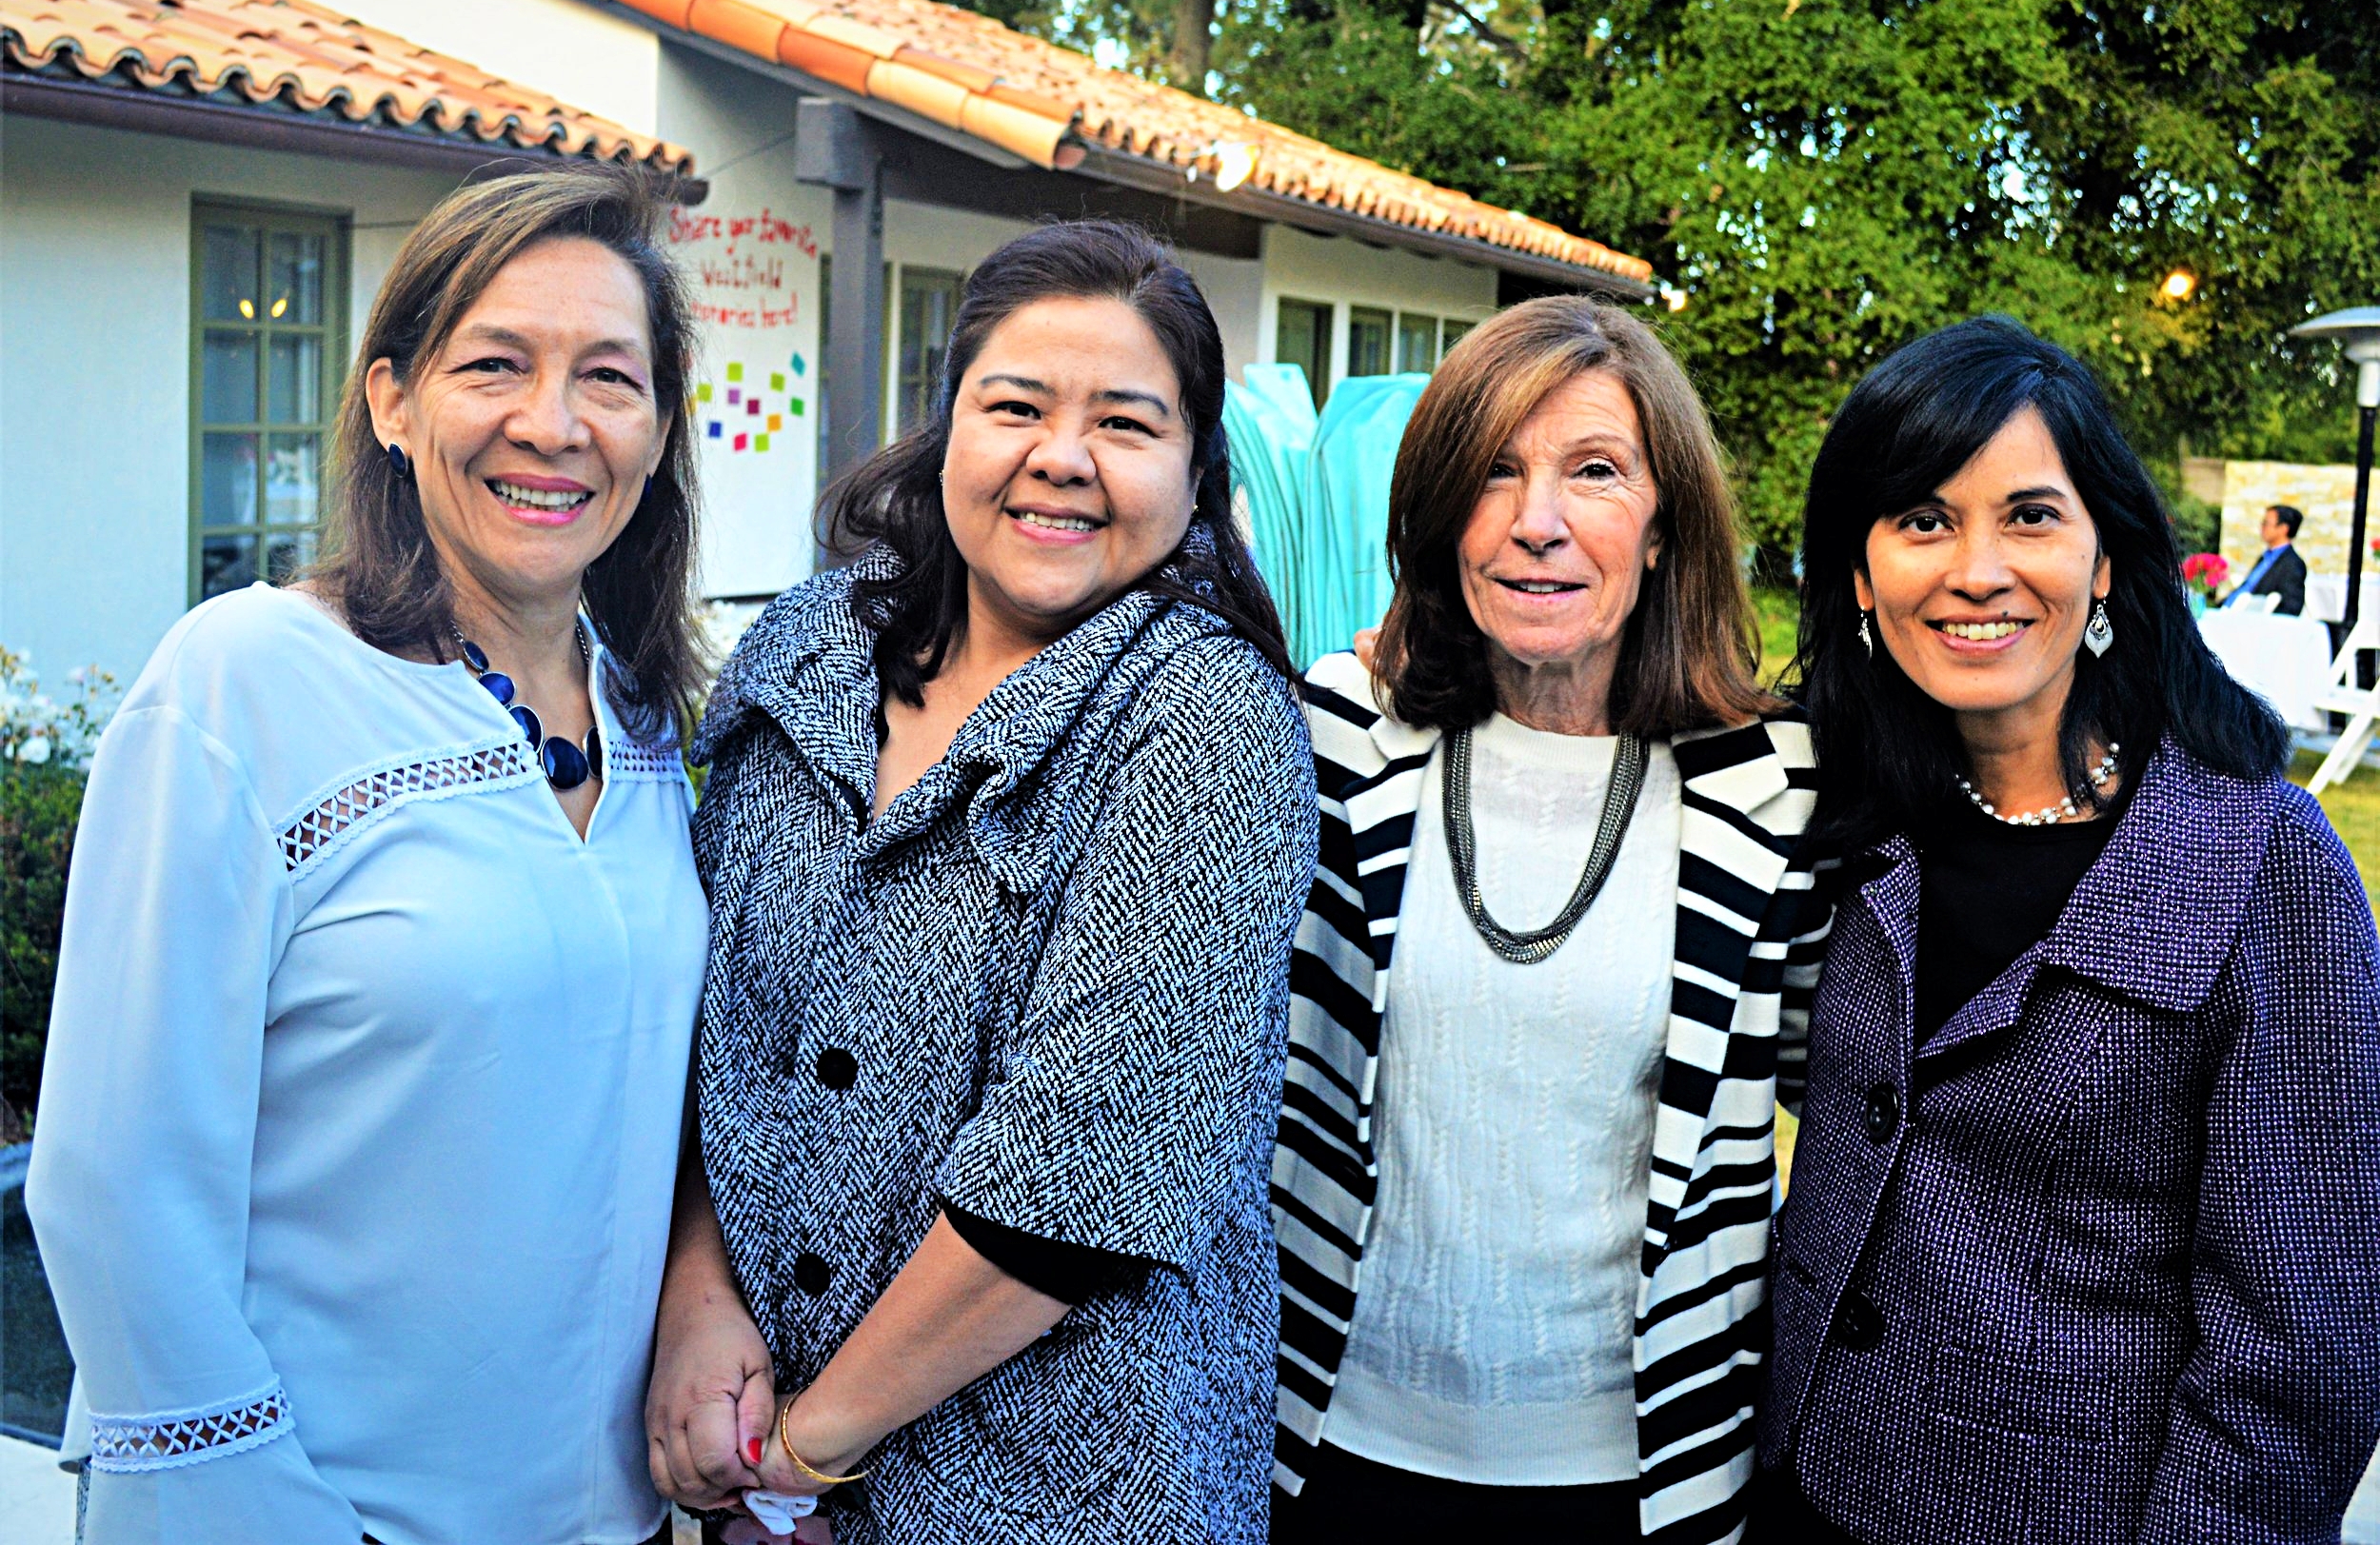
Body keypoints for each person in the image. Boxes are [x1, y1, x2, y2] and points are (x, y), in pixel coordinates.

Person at [25, 168, 711, 1543]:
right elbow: (112, 1181)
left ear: (657, 427)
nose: (553, 424)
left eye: (610, 378)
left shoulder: (641, 718)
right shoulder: (242, 681)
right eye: (495, 364)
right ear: (393, 401)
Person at [645, 219, 1318, 1544]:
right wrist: (696, 1290)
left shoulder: (1201, 722)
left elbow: (1076, 1189)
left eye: (1126, 424)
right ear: (948, 423)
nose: (1060, 456)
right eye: (1016, 404)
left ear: (1195, 474)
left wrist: (798, 1458)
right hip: (747, 1447)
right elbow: (709, 1033)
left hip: (1060, 1493)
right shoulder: (807, 647)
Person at [1762, 316, 2380, 1541]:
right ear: (1857, 570)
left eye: (2030, 517)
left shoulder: (2258, 863)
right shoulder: (1830, 808)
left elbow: (2300, 1351)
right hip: (1795, 1485)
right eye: (1922, 519)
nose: (1976, 568)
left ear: (2105, 560)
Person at [1269, 297, 1833, 1545]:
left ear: (1664, 521)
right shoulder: (1333, 733)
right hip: (1331, 1446)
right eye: (1492, 475)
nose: (1536, 521)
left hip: (1642, 1475)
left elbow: (1842, 1095)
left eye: (1593, 472)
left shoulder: (1772, 783)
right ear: (1435, 521)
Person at [2222, 502, 2308, 613]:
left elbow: (2290, 606)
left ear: (2283, 529)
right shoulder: (2266, 558)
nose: (2261, 528)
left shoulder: (2292, 564)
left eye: (2266, 523)